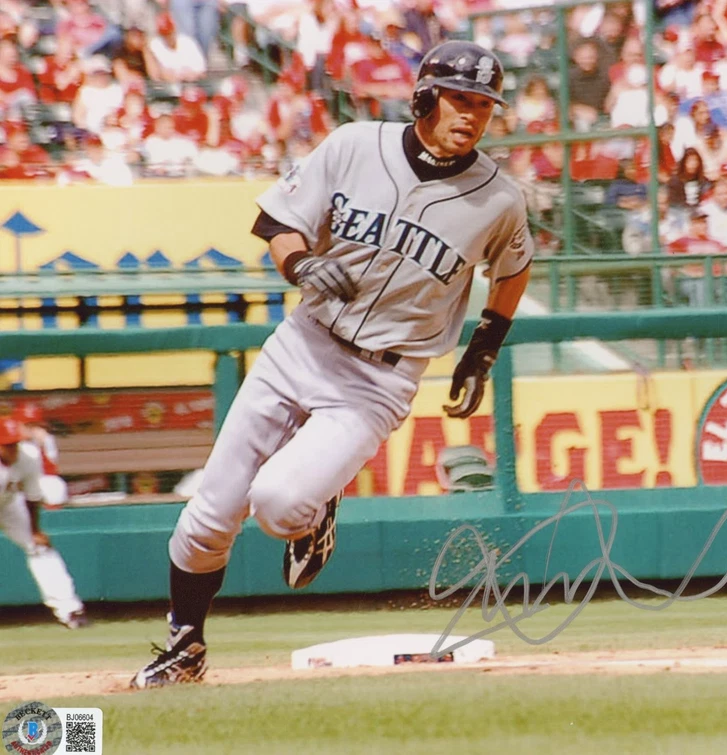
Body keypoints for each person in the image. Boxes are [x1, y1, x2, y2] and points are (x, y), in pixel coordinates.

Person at [130, 41, 533, 689]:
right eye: (460, 98)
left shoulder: (499, 199)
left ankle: (314, 515)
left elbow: (513, 268)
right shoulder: (353, 145)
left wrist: (485, 344)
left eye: (484, 105)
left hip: (379, 379)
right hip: (302, 344)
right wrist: (300, 264)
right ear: (424, 97)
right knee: (210, 513)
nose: (472, 115)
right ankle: (185, 645)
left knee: (277, 501)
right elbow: (276, 220)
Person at [1, 417, 88, 629]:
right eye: (7, 445)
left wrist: (35, 530)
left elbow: (32, 495)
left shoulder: (29, 455)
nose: (13, 449)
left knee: (40, 547)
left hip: (8, 504)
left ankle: (70, 610)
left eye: (15, 443)